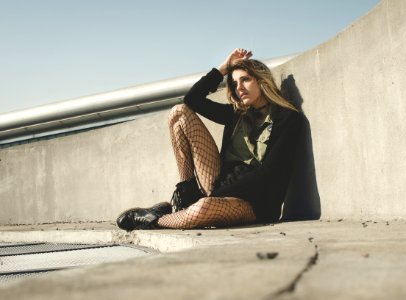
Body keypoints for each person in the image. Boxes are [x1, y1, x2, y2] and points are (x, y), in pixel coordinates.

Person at [117, 48, 302, 231]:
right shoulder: (236, 114)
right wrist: (222, 69)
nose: (239, 87)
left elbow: (267, 174)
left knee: (203, 208)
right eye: (235, 83)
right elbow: (192, 99)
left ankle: (155, 220)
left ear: (262, 81)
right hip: (220, 184)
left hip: (254, 203)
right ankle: (185, 197)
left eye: (246, 79)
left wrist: (216, 196)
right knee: (178, 112)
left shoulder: (286, 118)